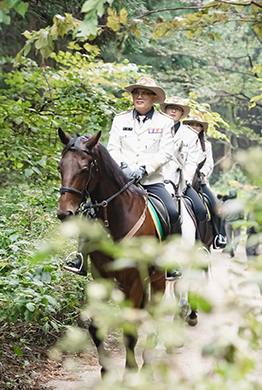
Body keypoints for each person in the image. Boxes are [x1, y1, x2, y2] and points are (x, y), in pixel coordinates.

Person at [64, 77, 179, 277]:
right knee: (90, 210)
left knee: (171, 212)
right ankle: (80, 257)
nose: (139, 96)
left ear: (153, 97)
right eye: (136, 93)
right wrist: (123, 166)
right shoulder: (120, 119)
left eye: (144, 93)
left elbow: (166, 152)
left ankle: (170, 259)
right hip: (120, 181)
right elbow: (113, 148)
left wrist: (144, 169)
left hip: (151, 181)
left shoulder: (165, 122)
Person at [181, 112, 227, 249]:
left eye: (198, 125)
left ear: (202, 128)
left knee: (216, 205)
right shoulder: (180, 141)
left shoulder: (207, 146)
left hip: (199, 183)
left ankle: (219, 235)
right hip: (179, 180)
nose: (194, 127)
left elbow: (209, 164)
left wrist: (203, 173)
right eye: (191, 124)